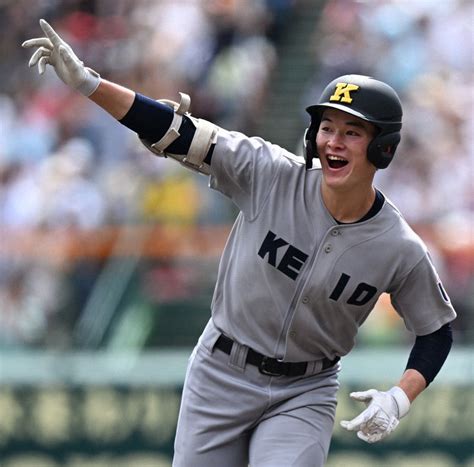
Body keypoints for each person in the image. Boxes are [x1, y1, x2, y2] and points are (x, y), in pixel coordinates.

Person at [23, 19, 457, 467]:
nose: (334, 141)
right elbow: (178, 132)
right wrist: (90, 84)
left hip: (304, 390)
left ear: (382, 148)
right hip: (220, 372)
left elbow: (435, 330)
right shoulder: (270, 173)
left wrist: (401, 397)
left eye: (352, 132)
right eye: (327, 127)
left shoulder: (398, 245)